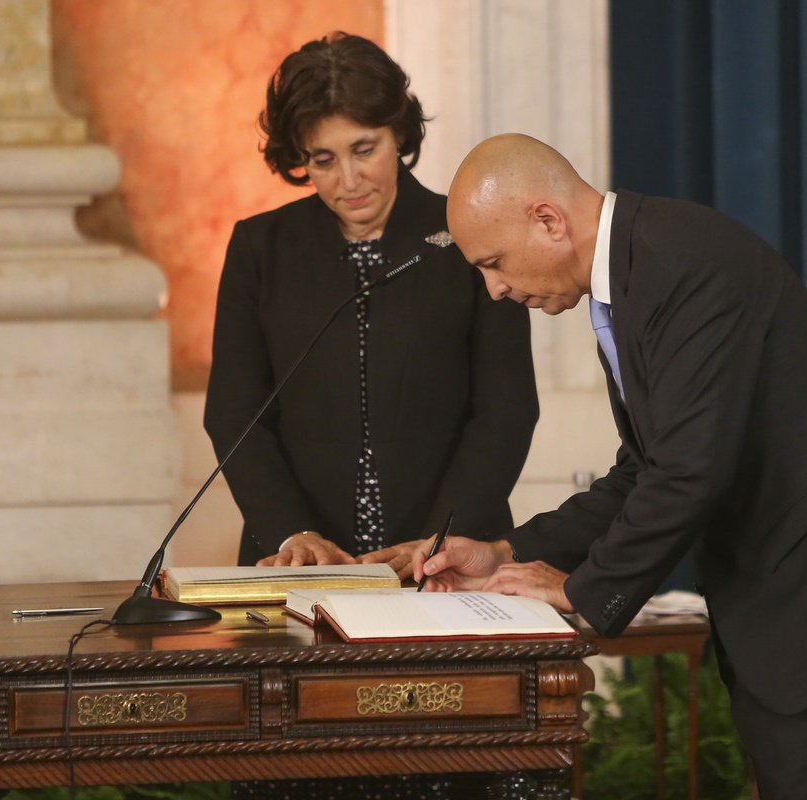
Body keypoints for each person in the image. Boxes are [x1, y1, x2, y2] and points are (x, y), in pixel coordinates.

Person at [417, 133, 807, 799]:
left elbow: (688, 471)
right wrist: (507, 552)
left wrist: (579, 590)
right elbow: (645, 468)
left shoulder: (680, 264)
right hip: (796, 592)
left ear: (548, 220)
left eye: (494, 262)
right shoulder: (634, 272)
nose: (494, 289)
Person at [205, 38, 538, 800]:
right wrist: (288, 531)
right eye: (322, 160)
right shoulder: (260, 248)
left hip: (444, 575)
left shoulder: (464, 235)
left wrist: (443, 538)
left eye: (365, 150)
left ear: (399, 135)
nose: (348, 181)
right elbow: (235, 413)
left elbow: (506, 408)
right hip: (300, 581)